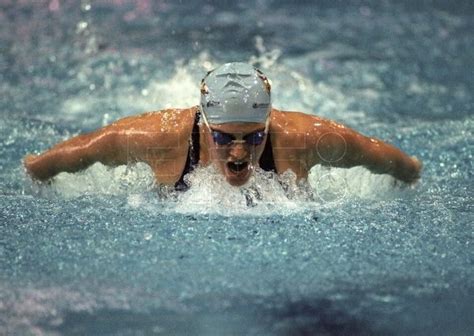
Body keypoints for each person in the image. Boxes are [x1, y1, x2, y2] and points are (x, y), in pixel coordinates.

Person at [23, 62, 421, 190]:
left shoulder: (304, 139)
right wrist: (36, 170)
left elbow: (382, 157)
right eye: (223, 137)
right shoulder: (159, 139)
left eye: (254, 137)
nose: (238, 152)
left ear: (268, 121)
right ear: (205, 124)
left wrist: (411, 174)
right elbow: (82, 150)